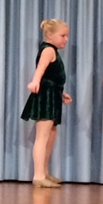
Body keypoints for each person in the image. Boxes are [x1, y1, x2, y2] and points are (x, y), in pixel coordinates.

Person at [21, 19, 72, 188]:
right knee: (42, 137)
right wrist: (35, 81)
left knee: (51, 135)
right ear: (50, 35)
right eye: (63, 36)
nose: (66, 39)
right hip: (46, 97)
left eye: (67, 36)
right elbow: (41, 69)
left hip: (53, 94)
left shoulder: (52, 50)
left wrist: (61, 93)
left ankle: (44, 171)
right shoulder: (48, 50)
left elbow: (51, 76)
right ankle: (38, 176)